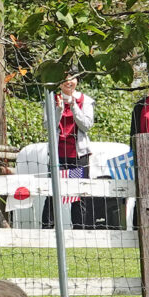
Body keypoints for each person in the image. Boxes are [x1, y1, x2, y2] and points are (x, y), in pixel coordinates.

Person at [44, 71, 96, 229]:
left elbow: (86, 125)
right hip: (58, 156)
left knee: (78, 193)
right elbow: (48, 126)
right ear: (59, 83)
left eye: (72, 78)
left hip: (78, 156)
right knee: (53, 192)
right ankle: (47, 228)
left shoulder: (85, 100)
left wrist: (74, 107)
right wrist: (59, 110)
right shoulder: (51, 99)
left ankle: (79, 229)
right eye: (64, 78)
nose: (68, 82)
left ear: (77, 81)